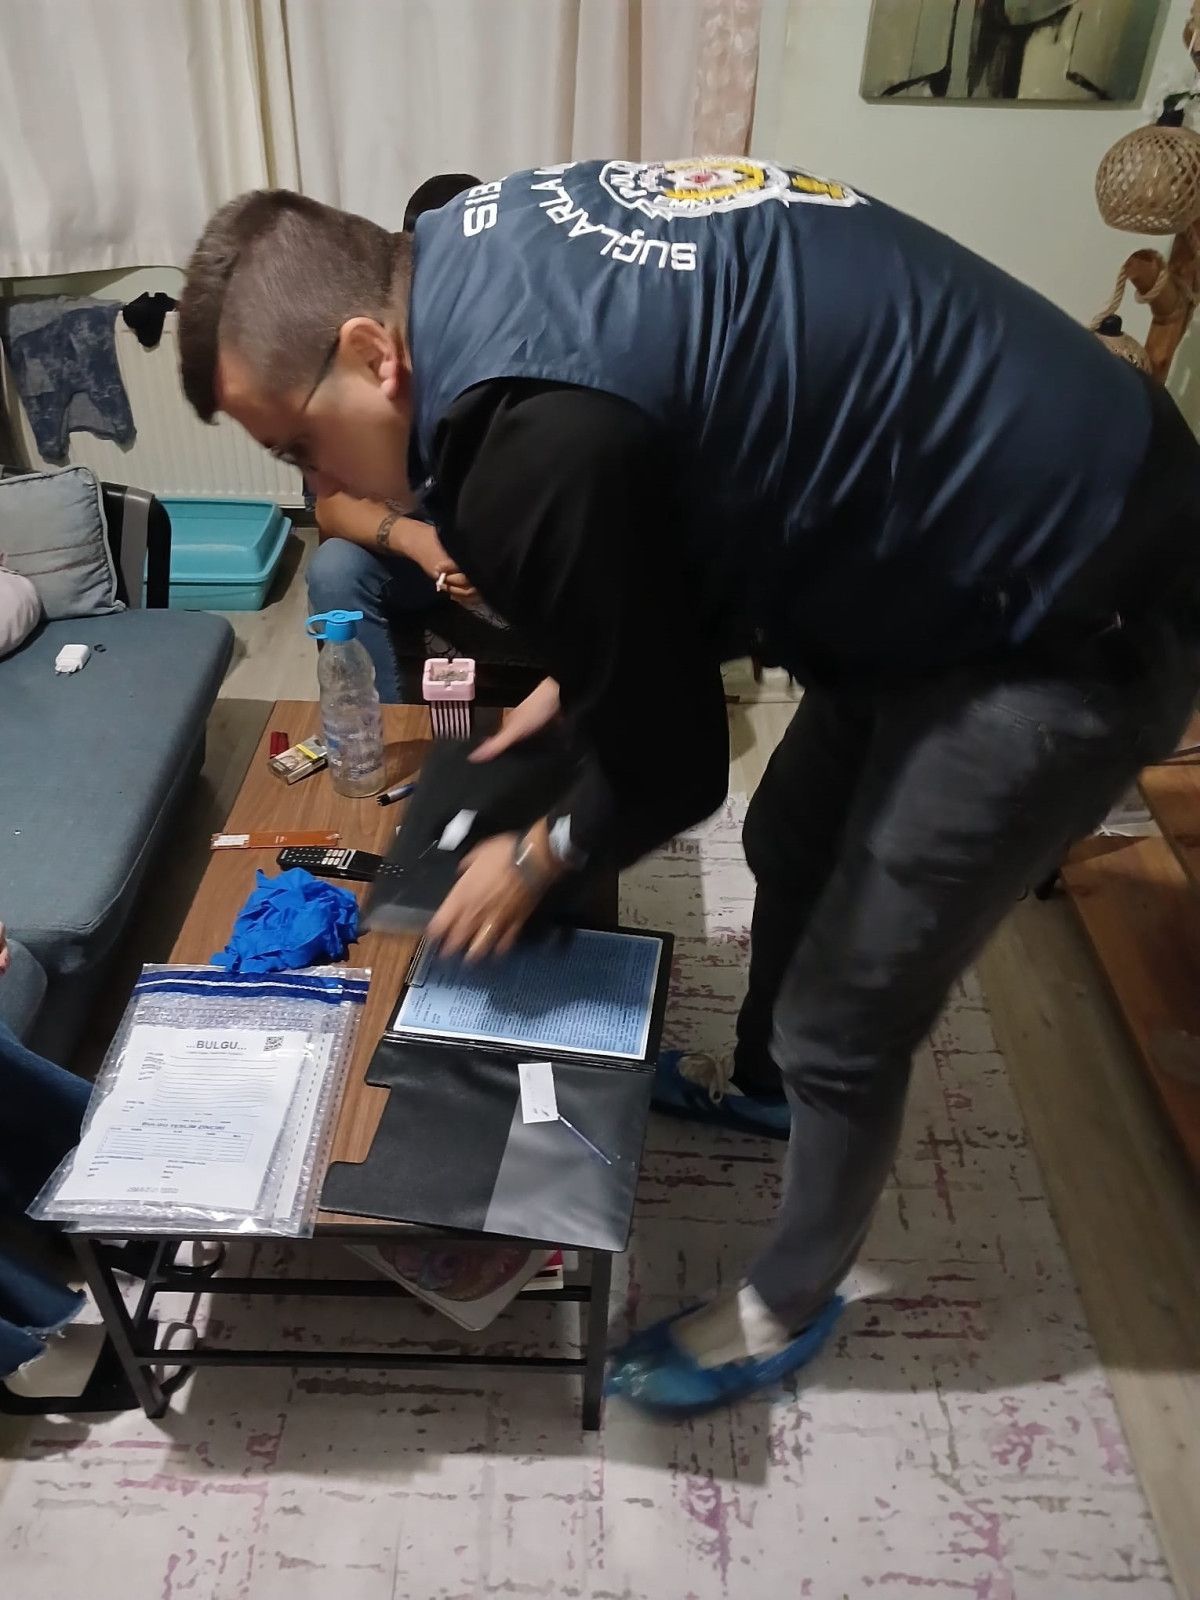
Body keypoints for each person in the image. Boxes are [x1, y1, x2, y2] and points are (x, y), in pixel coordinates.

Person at [176, 158, 1200, 1414]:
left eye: (298, 443)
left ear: (370, 352)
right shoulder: (467, 243)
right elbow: (685, 465)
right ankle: (771, 1095)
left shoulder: (525, 444)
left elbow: (673, 770)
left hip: (1076, 592)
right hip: (953, 519)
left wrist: (539, 854)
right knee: (794, 834)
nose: (318, 485)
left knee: (846, 1014)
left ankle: (785, 1299)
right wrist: (591, 662)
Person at [305, 173, 482, 700]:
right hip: (415, 553)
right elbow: (331, 507)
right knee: (334, 569)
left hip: (507, 539)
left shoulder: (517, 326)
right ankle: (377, 727)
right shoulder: (363, 346)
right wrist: (418, 540)